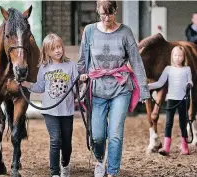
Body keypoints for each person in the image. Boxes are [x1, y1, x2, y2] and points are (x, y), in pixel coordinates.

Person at [77, 1, 150, 177]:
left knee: (115, 134)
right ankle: (100, 159)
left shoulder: (125, 32)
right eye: (103, 14)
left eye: (110, 14)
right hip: (97, 89)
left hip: (121, 88)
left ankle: (112, 171)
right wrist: (82, 75)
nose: (106, 18)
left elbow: (136, 61)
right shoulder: (89, 31)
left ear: (115, 11)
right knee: (98, 136)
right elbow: (82, 60)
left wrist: (144, 89)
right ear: (97, 12)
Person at [21, 33, 78, 177]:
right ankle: (55, 173)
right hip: (50, 111)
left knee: (66, 143)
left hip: (66, 111)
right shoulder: (44, 68)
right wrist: (26, 83)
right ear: (47, 52)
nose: (57, 50)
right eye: (53, 49)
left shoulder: (71, 65)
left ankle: (65, 164)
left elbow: (76, 89)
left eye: (59, 47)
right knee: (55, 140)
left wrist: (82, 80)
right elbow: (40, 87)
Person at [148, 46, 193, 156]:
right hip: (171, 99)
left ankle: (184, 146)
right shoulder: (168, 69)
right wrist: (147, 86)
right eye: (175, 55)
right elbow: (160, 83)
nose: (178, 58)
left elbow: (190, 81)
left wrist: (189, 84)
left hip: (183, 100)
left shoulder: (187, 69)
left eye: (180, 55)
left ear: (184, 57)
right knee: (169, 123)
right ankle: (166, 147)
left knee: (183, 123)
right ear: (172, 56)